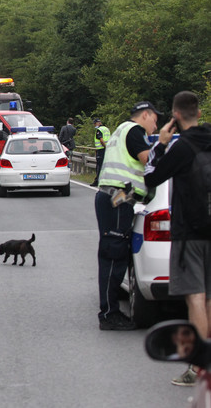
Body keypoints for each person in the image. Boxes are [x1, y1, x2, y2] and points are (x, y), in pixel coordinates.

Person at [144, 91, 211, 386]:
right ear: (198, 112)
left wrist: (160, 145)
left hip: (190, 234)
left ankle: (198, 367)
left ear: (176, 116)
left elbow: (151, 178)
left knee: (195, 296)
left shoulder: (180, 148)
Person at [95, 101, 160, 331]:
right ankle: (109, 314)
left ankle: (109, 310)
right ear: (146, 115)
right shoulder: (135, 132)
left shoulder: (121, 130)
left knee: (111, 252)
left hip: (115, 196)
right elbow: (150, 162)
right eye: (155, 119)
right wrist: (163, 147)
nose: (156, 125)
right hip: (118, 197)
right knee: (114, 254)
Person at [91, 118, 111, 186]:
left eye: (94, 123)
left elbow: (101, 140)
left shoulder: (99, 130)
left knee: (99, 166)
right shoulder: (107, 129)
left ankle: (97, 181)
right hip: (107, 150)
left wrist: (105, 147)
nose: (94, 125)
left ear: (97, 123)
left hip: (101, 149)